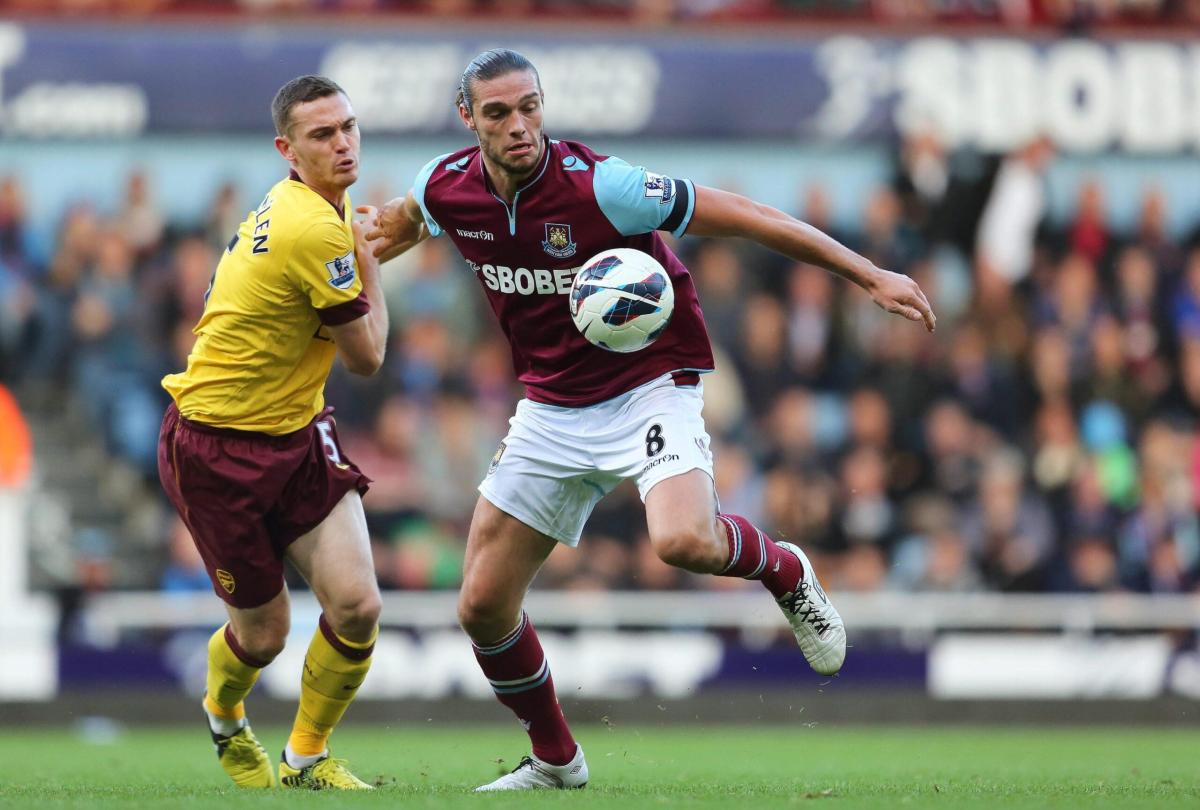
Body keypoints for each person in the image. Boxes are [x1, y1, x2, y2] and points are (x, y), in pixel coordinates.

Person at [367, 49, 936, 791]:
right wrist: (342, 254)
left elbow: (753, 218)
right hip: (552, 406)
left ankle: (784, 568)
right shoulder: (443, 186)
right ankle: (556, 761)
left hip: (649, 387)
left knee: (682, 540)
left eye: (530, 106)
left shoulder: (606, 186)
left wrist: (869, 274)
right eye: (499, 112)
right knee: (480, 606)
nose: (520, 125)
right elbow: (402, 227)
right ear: (467, 118)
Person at [157, 75, 393, 791]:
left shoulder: (323, 206)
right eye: (323, 135)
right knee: (265, 635)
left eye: (348, 126)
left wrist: (366, 247)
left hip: (294, 432)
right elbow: (369, 357)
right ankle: (223, 713)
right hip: (215, 447)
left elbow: (321, 299)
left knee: (358, 607)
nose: (343, 143)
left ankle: (305, 761)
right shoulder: (316, 226)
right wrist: (372, 261)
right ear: (287, 150)